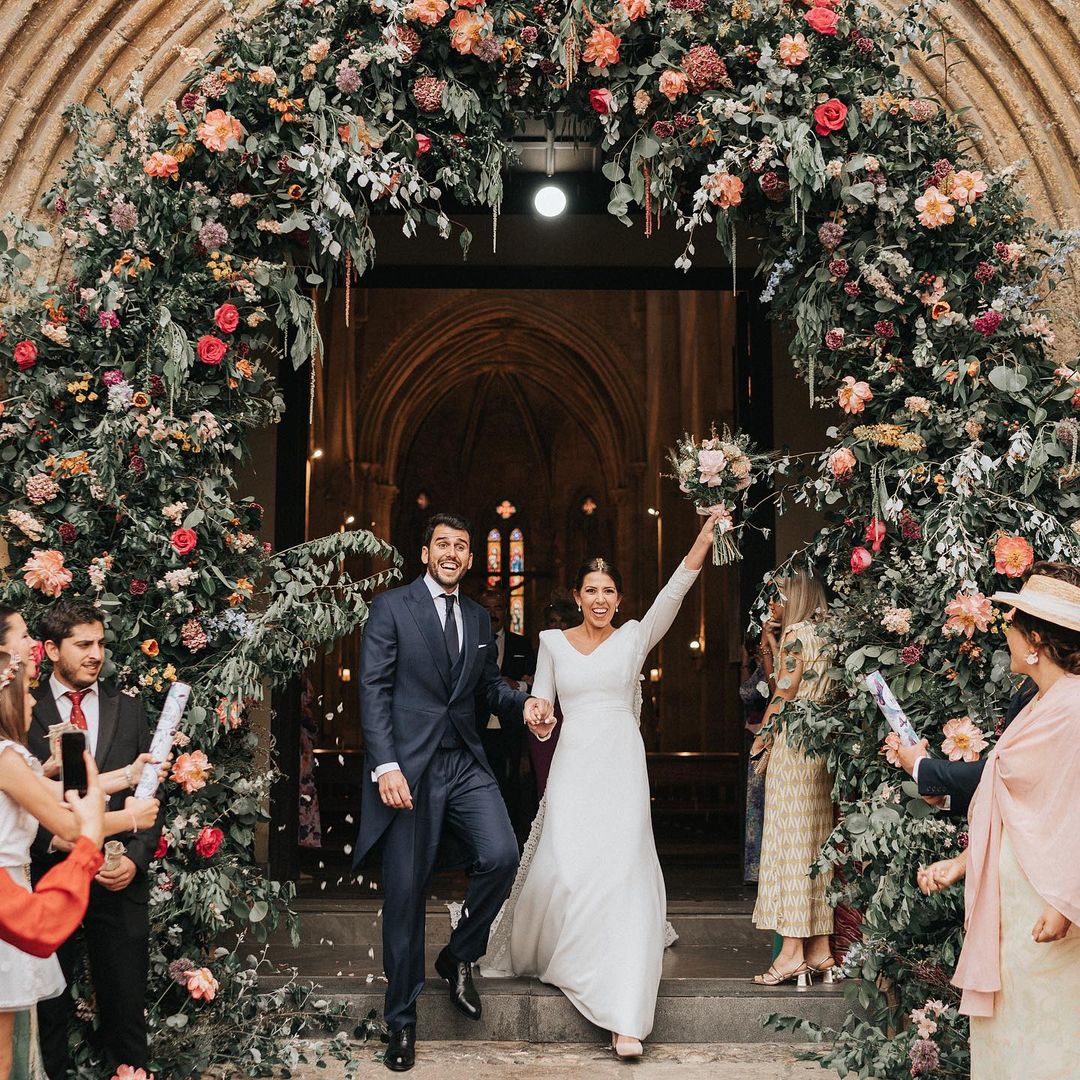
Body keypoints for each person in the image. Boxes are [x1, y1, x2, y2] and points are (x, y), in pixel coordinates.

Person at [482, 510, 721, 1060]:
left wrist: (703, 539)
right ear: (577, 594)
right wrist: (538, 717)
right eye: (591, 590)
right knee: (566, 866)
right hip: (571, 764)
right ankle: (566, 957)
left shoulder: (635, 637)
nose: (600, 599)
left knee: (620, 873)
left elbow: (674, 592)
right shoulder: (552, 642)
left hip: (621, 765)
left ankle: (624, 1015)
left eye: (609, 591)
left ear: (617, 598)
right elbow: (540, 703)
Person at [353, 514, 553, 1073]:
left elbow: (487, 689)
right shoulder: (391, 608)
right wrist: (385, 765)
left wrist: (526, 703)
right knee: (406, 893)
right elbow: (373, 689)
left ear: (469, 560)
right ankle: (401, 1024)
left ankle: (459, 952)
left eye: (461, 547)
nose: (452, 553)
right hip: (408, 770)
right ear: (425, 553)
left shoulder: (478, 617)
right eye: (443, 543)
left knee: (501, 854)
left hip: (464, 761)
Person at [917, 563, 1080, 1078]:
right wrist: (964, 862)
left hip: (1045, 902)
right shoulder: (1040, 702)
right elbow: (1011, 800)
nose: (1003, 626)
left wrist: (1066, 901)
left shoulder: (1074, 708)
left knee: (1050, 1037)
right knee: (1011, 1037)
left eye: (1012, 617)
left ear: (1034, 639)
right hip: (1010, 904)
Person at [0, 646, 159, 1080]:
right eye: (25, 691)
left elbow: (67, 794)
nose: (33, 700)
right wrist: (129, 817)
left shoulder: (9, 758)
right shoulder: (5, 757)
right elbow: (70, 824)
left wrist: (129, 775)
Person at [750, 569, 836, 986]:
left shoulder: (798, 636)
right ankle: (820, 950)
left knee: (788, 846)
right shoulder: (828, 633)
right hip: (818, 750)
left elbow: (782, 695)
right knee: (814, 843)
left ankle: (789, 954)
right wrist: (770, 642)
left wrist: (762, 740)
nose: (774, 604)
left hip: (793, 749)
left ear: (796, 597)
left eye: (778, 595)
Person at [894, 679, 1038, 815]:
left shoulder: (1054, 700)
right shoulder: (1034, 687)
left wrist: (921, 768)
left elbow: (1010, 770)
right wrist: (945, 798)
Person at [475, 588, 536, 838]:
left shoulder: (521, 644)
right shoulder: (471, 641)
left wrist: (516, 685)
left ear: (507, 612)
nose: (492, 614)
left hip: (511, 730)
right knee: (480, 790)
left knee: (511, 790)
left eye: (497, 608)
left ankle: (512, 844)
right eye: (486, 608)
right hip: (478, 730)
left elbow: (536, 682)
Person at [525, 596, 579, 801]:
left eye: (562, 620)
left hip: (571, 718)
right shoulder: (543, 648)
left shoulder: (580, 650)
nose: (557, 626)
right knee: (547, 781)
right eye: (552, 621)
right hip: (546, 720)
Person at [739, 632, 769, 885]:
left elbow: (746, 693)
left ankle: (759, 869)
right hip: (760, 738)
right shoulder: (764, 666)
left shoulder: (769, 667)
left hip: (765, 741)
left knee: (760, 803)